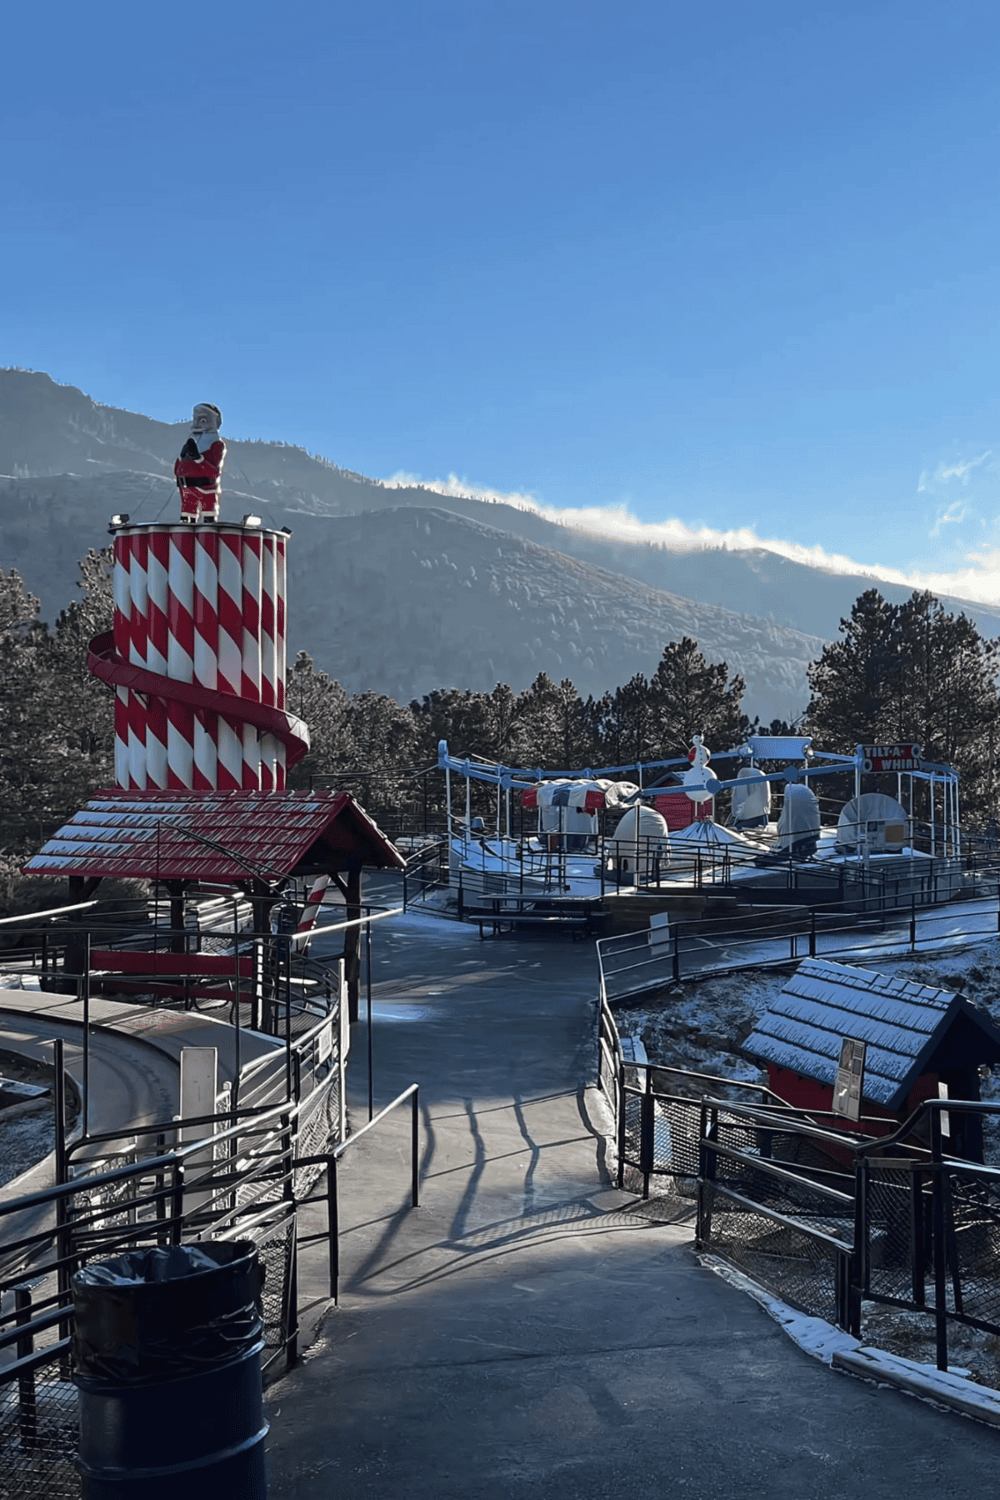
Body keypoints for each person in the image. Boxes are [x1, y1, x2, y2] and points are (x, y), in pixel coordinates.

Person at [175, 402, 226, 522]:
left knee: (208, 515)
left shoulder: (215, 444)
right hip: (186, 487)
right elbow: (179, 466)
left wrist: (198, 459)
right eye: (195, 419)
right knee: (187, 518)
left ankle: (208, 526)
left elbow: (214, 471)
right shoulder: (191, 441)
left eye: (202, 420)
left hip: (205, 487)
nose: (197, 424)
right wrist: (181, 461)